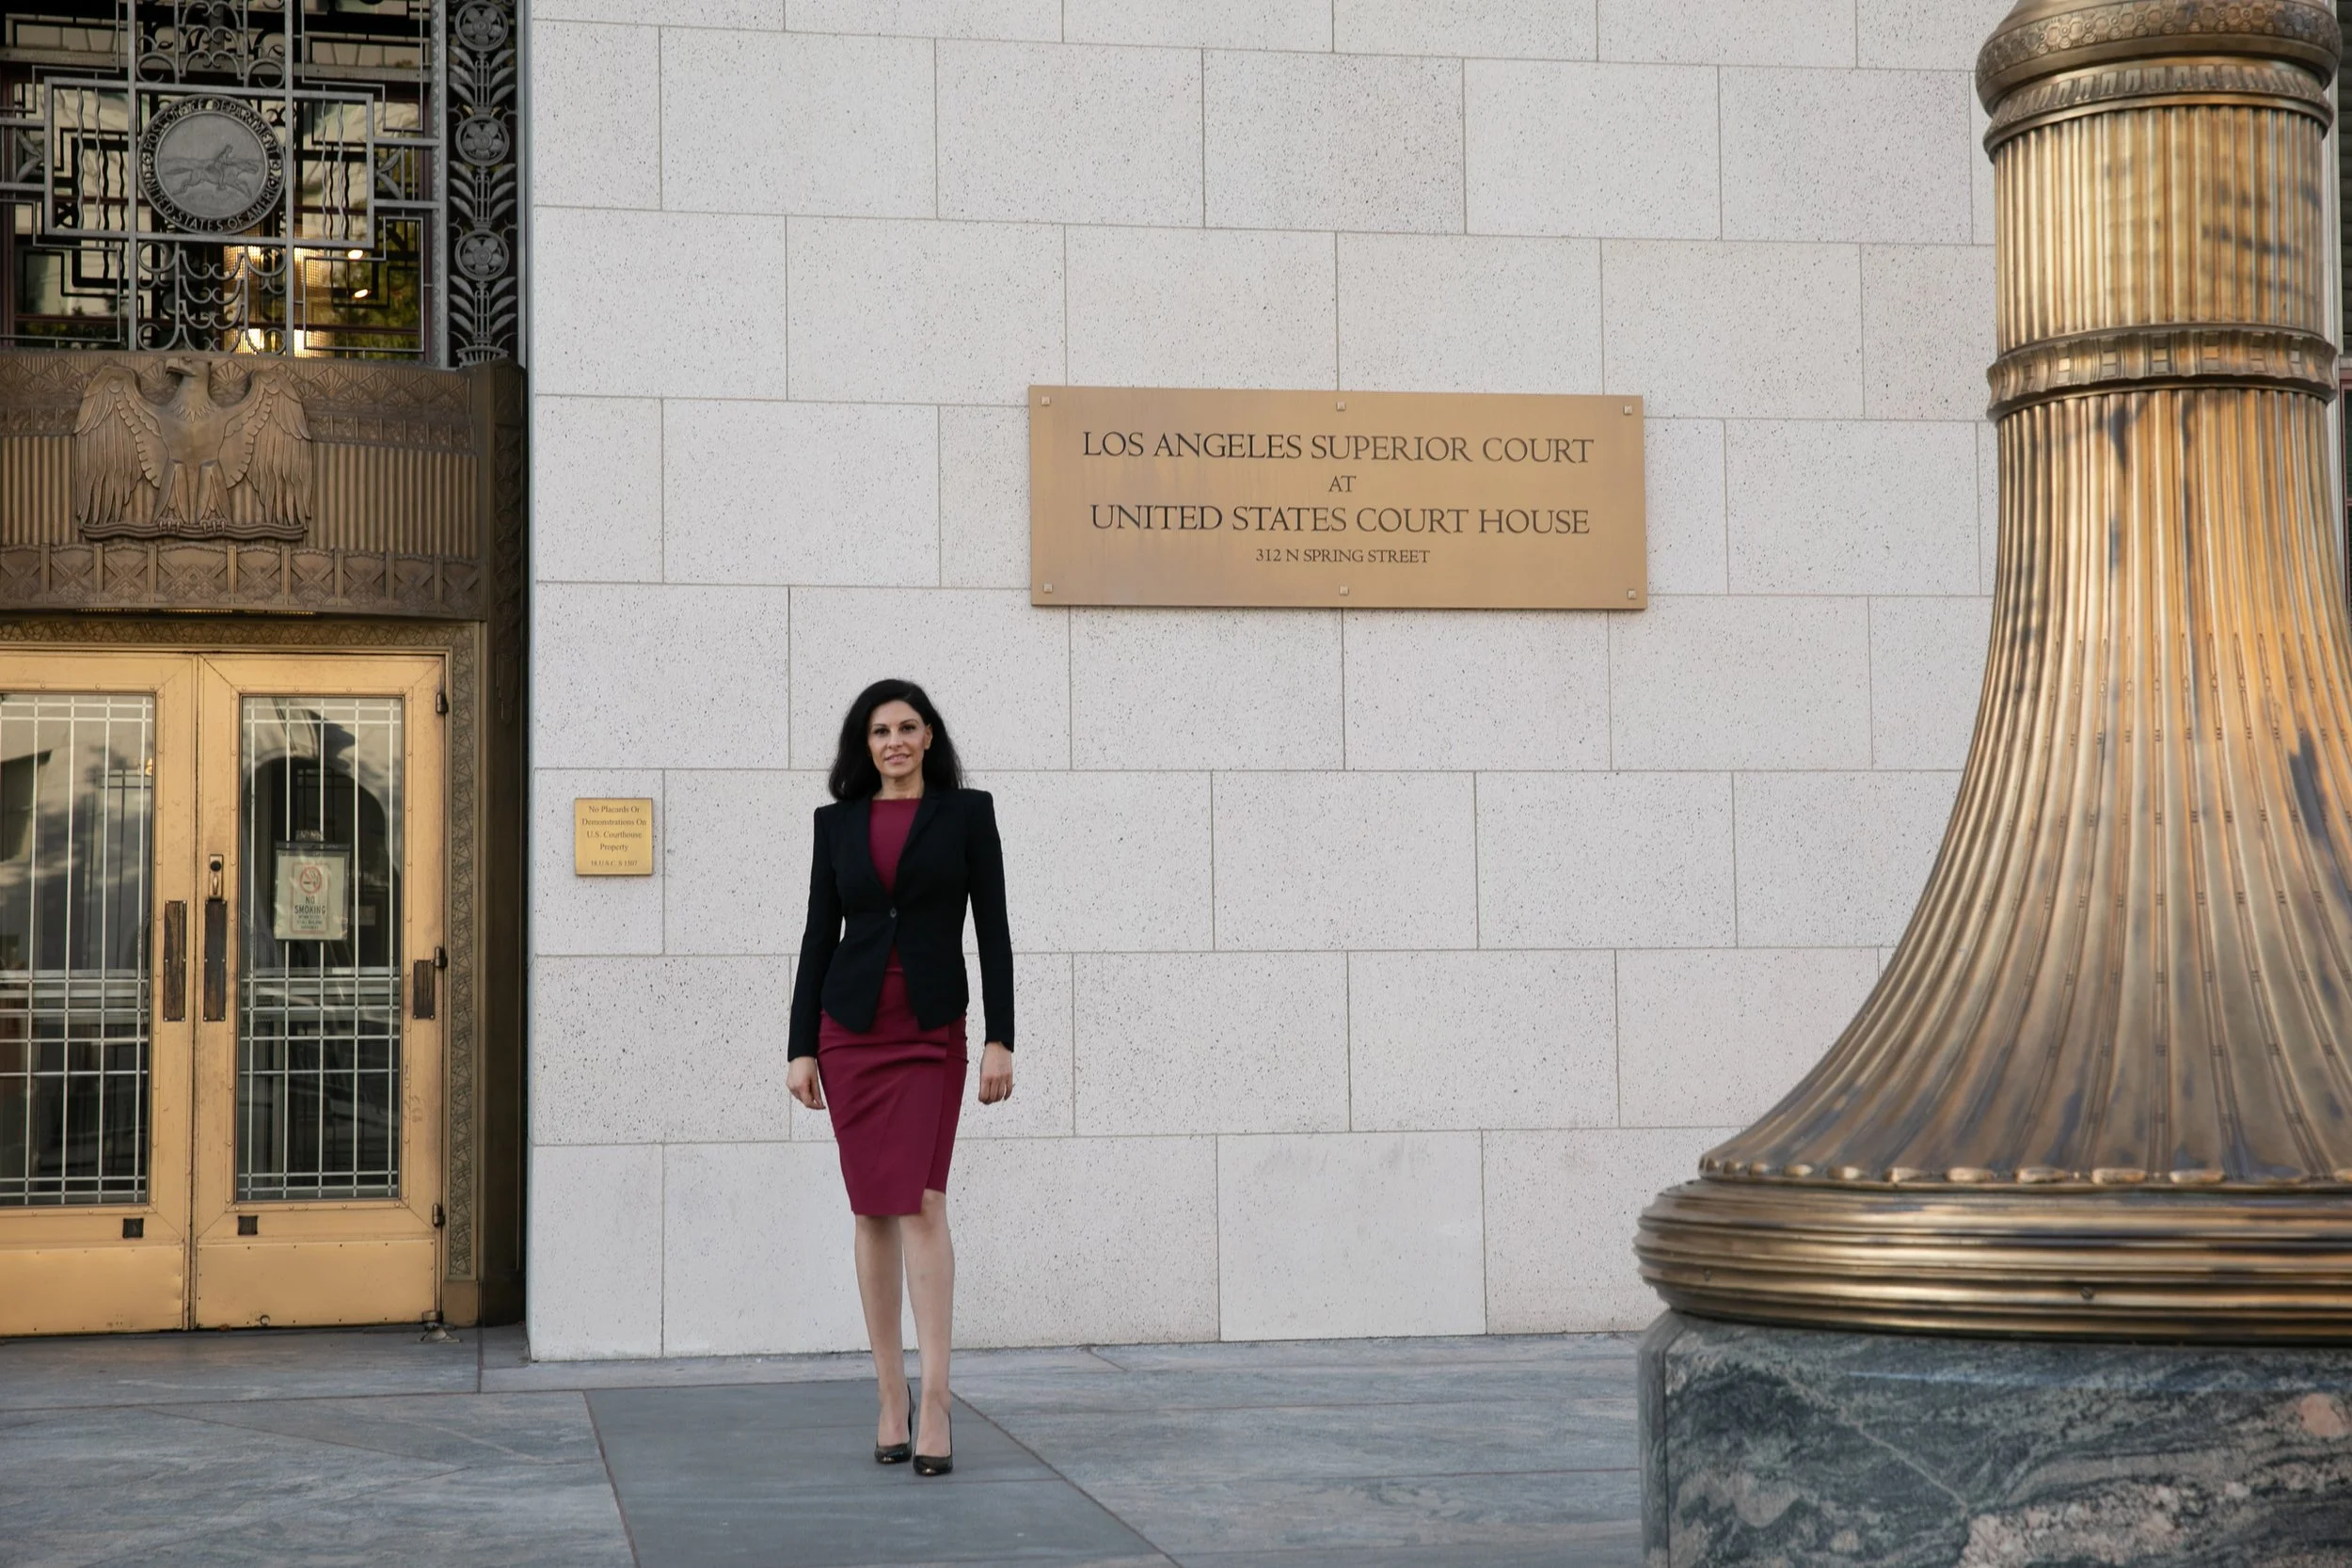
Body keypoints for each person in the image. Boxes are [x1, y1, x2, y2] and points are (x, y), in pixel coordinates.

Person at [787, 679, 1014, 1478]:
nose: (894, 741)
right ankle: (889, 1395)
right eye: (880, 730)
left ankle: (939, 1397)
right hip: (848, 1030)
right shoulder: (836, 824)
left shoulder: (967, 814)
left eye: (907, 727)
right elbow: (820, 931)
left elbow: (993, 926)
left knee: (921, 1202)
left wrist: (1001, 1038)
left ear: (928, 736)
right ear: (865, 744)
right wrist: (799, 1045)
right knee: (870, 1211)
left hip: (928, 1031)